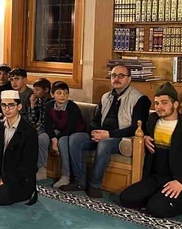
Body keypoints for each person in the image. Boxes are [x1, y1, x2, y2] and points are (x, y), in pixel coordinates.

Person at [119, 83, 182, 229]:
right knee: (126, 198)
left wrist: (181, 182)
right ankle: (160, 197)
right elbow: (145, 133)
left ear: (175, 104)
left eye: (164, 103)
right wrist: (146, 137)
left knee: (155, 208)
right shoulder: (152, 119)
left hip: (180, 180)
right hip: (156, 177)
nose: (159, 107)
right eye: (156, 103)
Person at [62, 65, 151, 198]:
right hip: (103, 134)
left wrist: (108, 135)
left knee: (105, 143)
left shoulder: (140, 99)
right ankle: (79, 181)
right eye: (113, 75)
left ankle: (94, 185)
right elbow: (96, 120)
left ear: (129, 79)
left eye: (121, 76)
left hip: (124, 138)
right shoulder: (105, 97)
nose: (116, 78)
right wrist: (94, 132)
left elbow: (136, 128)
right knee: (75, 138)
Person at [44, 81, 88, 189]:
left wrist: (57, 140)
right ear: (52, 94)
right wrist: (54, 139)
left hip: (74, 133)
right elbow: (47, 125)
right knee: (42, 137)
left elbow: (70, 128)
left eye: (65, 93)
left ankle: (65, 176)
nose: (63, 96)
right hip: (59, 131)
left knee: (63, 140)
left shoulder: (73, 107)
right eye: (59, 93)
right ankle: (41, 169)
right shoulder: (49, 105)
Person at [28, 78, 52, 181]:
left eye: (37, 90)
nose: (34, 92)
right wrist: (32, 105)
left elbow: (48, 123)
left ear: (46, 90)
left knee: (38, 138)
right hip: (38, 128)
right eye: (34, 89)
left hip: (48, 129)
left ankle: (41, 169)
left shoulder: (51, 103)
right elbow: (32, 120)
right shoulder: (38, 101)